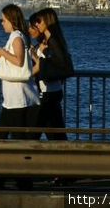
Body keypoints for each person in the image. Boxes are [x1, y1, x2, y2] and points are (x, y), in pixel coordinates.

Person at [0, 3, 39, 190]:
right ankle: (18, 180)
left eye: (4, 20)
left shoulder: (16, 36)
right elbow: (18, 62)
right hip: (15, 101)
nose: (1, 23)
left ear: (11, 20)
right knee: (15, 142)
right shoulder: (19, 37)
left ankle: (3, 180)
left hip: (16, 101)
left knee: (5, 141)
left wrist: (1, 52)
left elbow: (19, 61)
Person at [29, 7, 71, 141]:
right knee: (56, 135)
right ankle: (65, 158)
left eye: (38, 21)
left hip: (48, 94)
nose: (36, 24)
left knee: (32, 134)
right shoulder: (46, 42)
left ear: (47, 21)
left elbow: (59, 64)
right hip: (48, 93)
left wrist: (37, 59)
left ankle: (23, 156)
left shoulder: (53, 42)